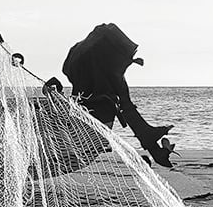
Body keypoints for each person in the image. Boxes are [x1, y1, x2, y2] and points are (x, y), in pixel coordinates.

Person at [62, 23, 174, 167]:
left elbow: (68, 70)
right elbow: (123, 100)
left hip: (87, 110)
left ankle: (149, 139)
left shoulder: (80, 57)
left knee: (85, 153)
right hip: (96, 112)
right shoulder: (105, 70)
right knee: (85, 154)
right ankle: (148, 138)